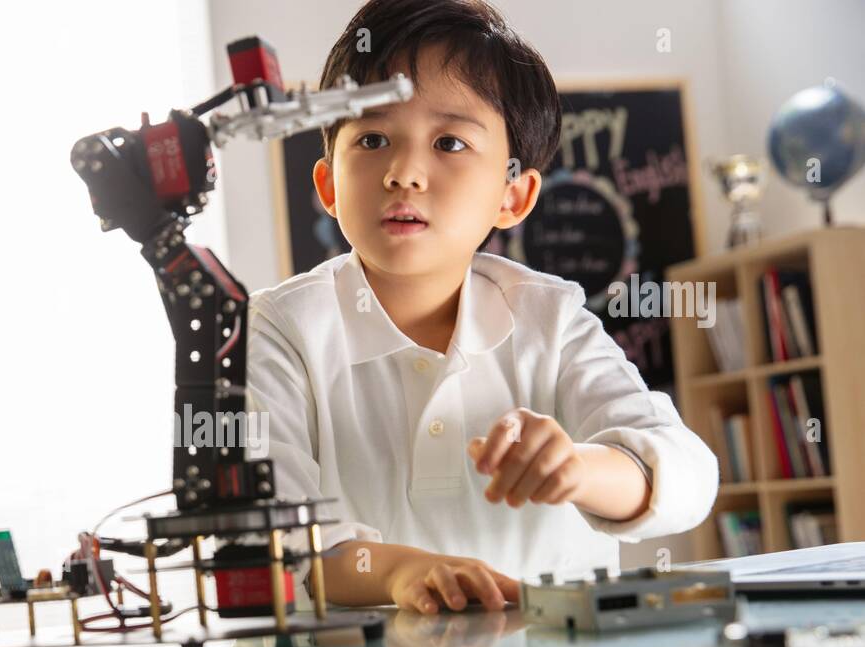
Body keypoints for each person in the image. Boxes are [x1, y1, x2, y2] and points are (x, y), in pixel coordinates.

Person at [246, 0, 718, 615]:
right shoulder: (277, 330)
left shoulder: (551, 319)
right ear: (329, 186)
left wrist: (577, 468)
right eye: (372, 138)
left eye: (449, 141)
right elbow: (275, 537)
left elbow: (688, 474)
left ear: (513, 196)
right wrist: (403, 573)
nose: (404, 171)